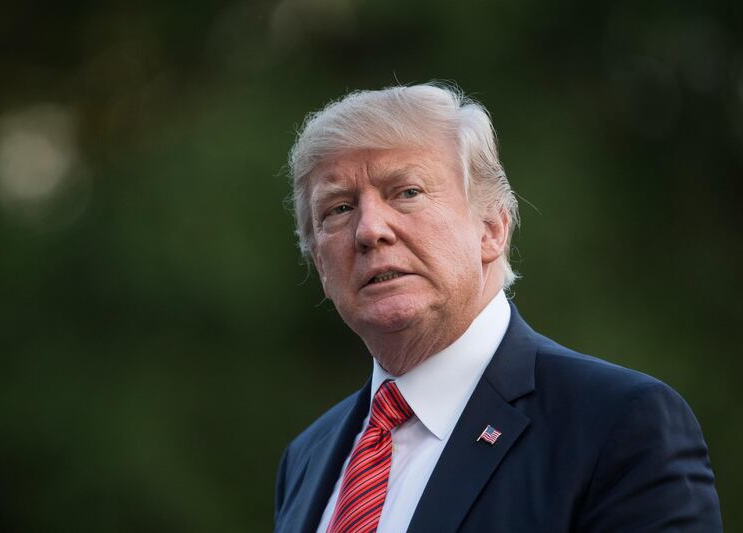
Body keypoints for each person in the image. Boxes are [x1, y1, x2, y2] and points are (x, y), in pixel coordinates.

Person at [274, 83, 722, 532]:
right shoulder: (308, 458)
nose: (370, 229)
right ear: (318, 262)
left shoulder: (617, 424)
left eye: (406, 192)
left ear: (491, 229)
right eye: (339, 208)